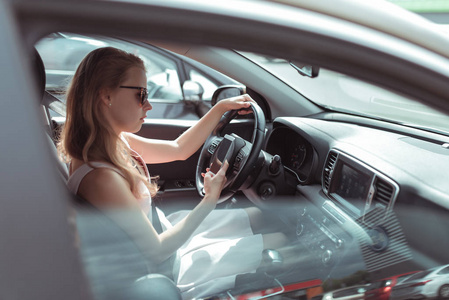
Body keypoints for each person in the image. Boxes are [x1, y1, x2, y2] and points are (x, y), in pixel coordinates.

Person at [59, 47, 288, 299]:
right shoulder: (101, 178)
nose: (148, 105)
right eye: (141, 95)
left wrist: (220, 108)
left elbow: (178, 149)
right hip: (165, 265)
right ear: (106, 96)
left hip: (164, 230)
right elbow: (156, 251)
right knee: (279, 243)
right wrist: (209, 200)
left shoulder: (113, 141)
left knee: (260, 215)